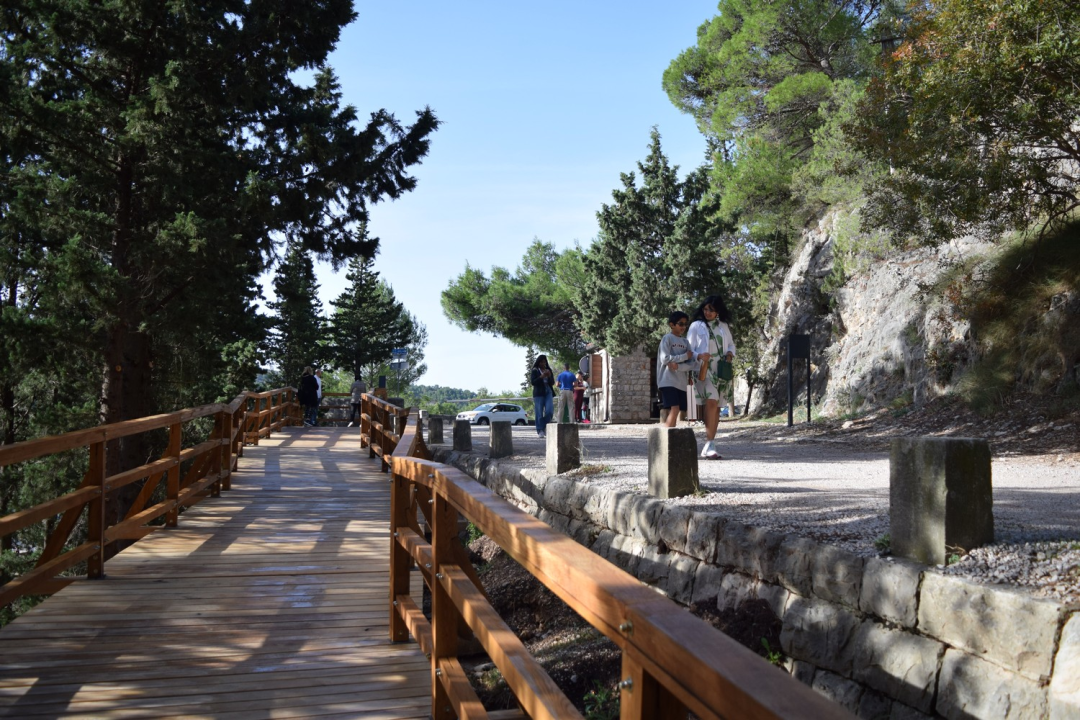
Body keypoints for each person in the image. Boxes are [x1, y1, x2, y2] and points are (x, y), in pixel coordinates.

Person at [688, 295, 736, 459]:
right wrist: (699, 356)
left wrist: (730, 353)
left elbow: (731, 344)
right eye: (705, 309)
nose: (707, 312)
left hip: (721, 370)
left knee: (716, 406)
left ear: (718, 311)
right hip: (703, 369)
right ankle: (709, 442)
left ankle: (711, 443)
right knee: (711, 401)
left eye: (711, 309)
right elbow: (689, 348)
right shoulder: (696, 326)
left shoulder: (723, 326)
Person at [656, 311, 697, 428]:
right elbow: (665, 359)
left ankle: (671, 438)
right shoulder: (667, 338)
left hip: (681, 383)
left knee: (678, 410)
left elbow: (692, 363)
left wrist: (678, 366)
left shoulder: (685, 342)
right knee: (675, 408)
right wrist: (684, 357)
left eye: (685, 324)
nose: (683, 327)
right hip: (667, 381)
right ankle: (665, 436)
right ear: (672, 325)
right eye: (680, 324)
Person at [530, 355, 555, 437]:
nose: (543, 363)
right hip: (539, 393)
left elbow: (552, 382)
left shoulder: (548, 370)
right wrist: (541, 377)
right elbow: (533, 382)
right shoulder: (535, 370)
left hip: (548, 391)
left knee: (549, 411)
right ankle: (540, 430)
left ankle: (543, 425)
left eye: (544, 362)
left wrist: (549, 376)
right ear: (538, 362)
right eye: (541, 362)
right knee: (539, 412)